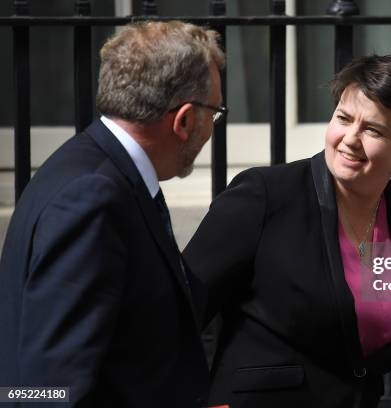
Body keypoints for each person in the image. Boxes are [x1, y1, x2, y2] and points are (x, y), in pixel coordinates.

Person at [184, 55, 391, 408]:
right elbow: (179, 314)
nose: (350, 139)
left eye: (373, 129)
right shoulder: (263, 196)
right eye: (343, 118)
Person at [0, 21, 224, 407]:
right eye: (214, 112)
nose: (212, 127)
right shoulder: (94, 197)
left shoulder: (97, 169)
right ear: (184, 120)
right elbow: (51, 388)